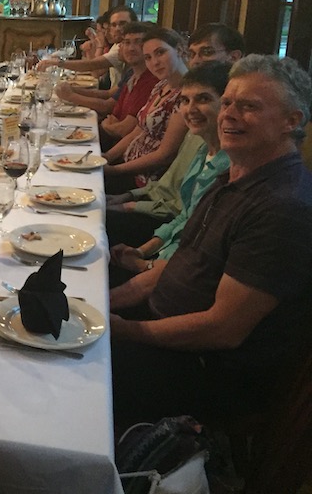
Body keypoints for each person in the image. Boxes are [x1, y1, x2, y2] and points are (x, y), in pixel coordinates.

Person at [110, 54, 312, 427]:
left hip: (203, 372)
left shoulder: (282, 207)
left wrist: (124, 330)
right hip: (162, 326)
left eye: (249, 106)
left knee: (56, 372)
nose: (228, 114)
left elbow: (223, 328)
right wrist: (102, 304)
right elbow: (177, 264)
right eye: (228, 102)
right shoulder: (234, 176)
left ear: (292, 121)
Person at [107, 62, 231, 288]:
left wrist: (145, 265)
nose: (191, 109)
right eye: (185, 101)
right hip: (164, 250)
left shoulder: (230, 168)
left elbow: (198, 252)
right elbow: (185, 216)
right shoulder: (201, 148)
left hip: (179, 280)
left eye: (203, 99)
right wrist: (141, 251)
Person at [103, 27, 189, 192]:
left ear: (179, 50)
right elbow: (139, 129)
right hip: (127, 167)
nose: (154, 62)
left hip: (146, 182)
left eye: (160, 53)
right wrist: (107, 157)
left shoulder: (187, 96)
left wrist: (114, 170)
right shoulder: (161, 86)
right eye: (148, 57)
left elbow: (165, 155)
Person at [53, 22, 158, 147]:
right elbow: (111, 105)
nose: (131, 48)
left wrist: (71, 96)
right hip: (110, 137)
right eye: (127, 42)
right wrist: (72, 90)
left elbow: (120, 125)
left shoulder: (150, 81)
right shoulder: (132, 74)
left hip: (117, 145)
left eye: (138, 42)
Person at [38, 5, 137, 88]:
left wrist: (56, 62)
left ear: (134, 24)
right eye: (114, 25)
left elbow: (92, 65)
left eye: (123, 24)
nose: (118, 28)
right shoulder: (117, 45)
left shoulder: (121, 49)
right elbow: (95, 71)